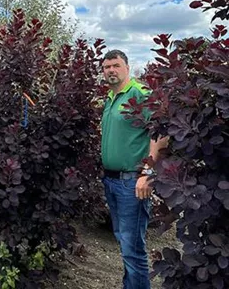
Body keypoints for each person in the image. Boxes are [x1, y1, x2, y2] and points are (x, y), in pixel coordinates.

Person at [101, 49, 167, 289]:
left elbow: (161, 133)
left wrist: (147, 174)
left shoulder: (140, 94)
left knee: (132, 249)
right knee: (124, 243)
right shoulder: (110, 98)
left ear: (127, 67)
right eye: (107, 67)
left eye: (116, 65)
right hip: (111, 181)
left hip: (133, 183)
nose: (111, 70)